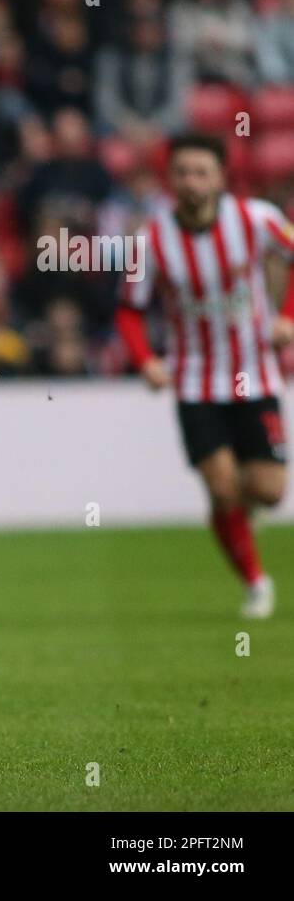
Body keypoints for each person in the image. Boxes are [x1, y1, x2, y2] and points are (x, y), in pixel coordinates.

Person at [116, 133, 294, 619]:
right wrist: (146, 359)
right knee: (219, 486)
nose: (191, 182)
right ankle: (256, 583)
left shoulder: (256, 220)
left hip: (255, 375)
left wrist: (288, 315)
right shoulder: (150, 241)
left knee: (269, 491)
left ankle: (239, 515)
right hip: (195, 381)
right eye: (182, 173)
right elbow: (129, 311)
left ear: (220, 177)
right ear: (169, 180)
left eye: (201, 172)